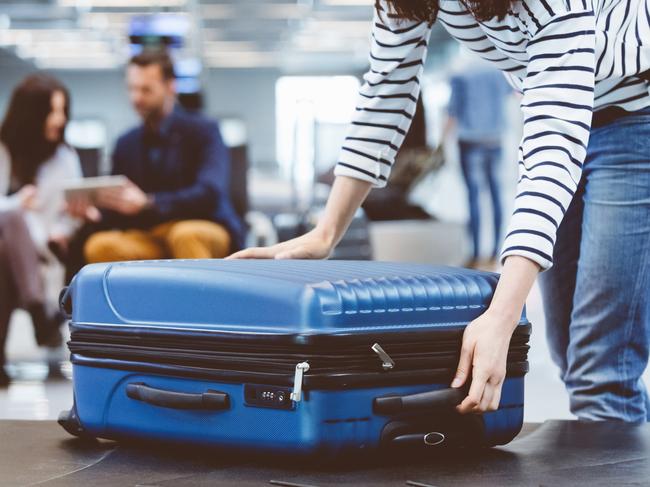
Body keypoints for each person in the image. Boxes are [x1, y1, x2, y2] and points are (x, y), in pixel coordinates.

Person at [232, 0, 650, 423]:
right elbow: (385, 92)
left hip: (637, 118)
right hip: (571, 117)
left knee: (601, 372)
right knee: (570, 353)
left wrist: (501, 318)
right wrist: (325, 234)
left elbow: (554, 146)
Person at [68, 50, 244, 271]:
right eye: (132, 89)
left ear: (171, 87)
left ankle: (194, 305)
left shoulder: (204, 132)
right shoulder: (126, 143)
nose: (136, 98)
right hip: (151, 234)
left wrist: (149, 203)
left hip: (204, 226)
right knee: (100, 246)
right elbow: (122, 204)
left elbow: (209, 192)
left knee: (186, 236)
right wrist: (94, 213)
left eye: (146, 90)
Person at [0, 74, 82, 386]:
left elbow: (68, 216)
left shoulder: (65, 157)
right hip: (13, 255)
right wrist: (16, 204)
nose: (60, 120)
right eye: (53, 111)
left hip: (45, 252)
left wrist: (67, 225)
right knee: (11, 226)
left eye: (63, 111)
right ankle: (39, 311)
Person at [445, 64, 511, 268]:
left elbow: (452, 113)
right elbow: (513, 94)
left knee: (474, 198)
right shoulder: (500, 72)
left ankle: (475, 254)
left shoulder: (460, 74)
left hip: (470, 141)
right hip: (495, 140)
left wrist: (440, 144)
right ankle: (495, 254)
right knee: (496, 195)